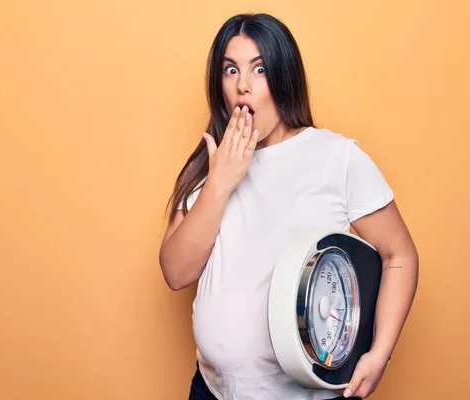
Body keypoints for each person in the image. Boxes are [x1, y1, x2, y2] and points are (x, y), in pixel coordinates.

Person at [159, 13, 419, 400]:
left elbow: (399, 254)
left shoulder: (335, 157)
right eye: (231, 70)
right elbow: (176, 273)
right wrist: (220, 182)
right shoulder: (208, 163)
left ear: (284, 76)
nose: (243, 86)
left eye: (259, 69)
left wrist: (380, 353)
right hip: (211, 391)